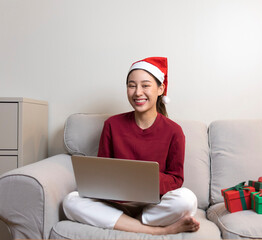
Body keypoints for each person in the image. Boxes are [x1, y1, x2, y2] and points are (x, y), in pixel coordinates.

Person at [63, 57, 200, 235]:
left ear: (160, 89)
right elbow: (102, 170)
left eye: (145, 85)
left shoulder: (174, 131)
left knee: (187, 200)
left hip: (153, 206)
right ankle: (158, 231)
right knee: (70, 201)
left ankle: (129, 223)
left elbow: (176, 180)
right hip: (116, 204)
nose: (137, 92)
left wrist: (145, 178)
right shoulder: (112, 124)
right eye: (131, 85)